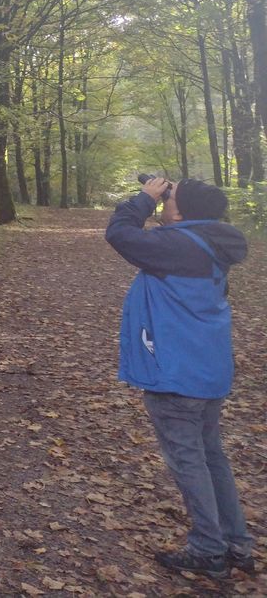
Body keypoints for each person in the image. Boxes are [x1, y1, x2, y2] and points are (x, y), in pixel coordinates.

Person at [105, 176, 254, 580]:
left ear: (183, 211)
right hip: (207, 370)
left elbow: (119, 232)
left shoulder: (177, 246)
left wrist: (144, 198)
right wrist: (165, 204)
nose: (165, 202)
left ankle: (208, 549)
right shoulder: (212, 243)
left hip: (176, 374)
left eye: (171, 199)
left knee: (190, 461)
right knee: (211, 457)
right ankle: (236, 542)